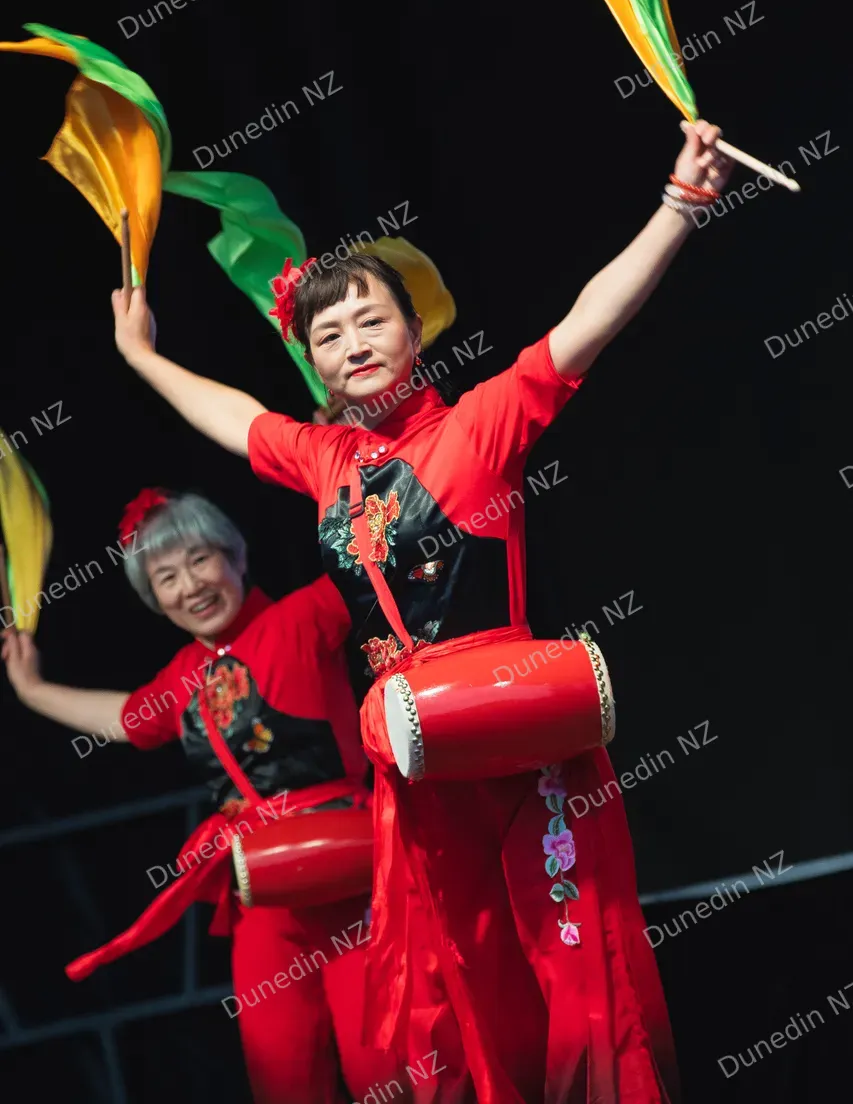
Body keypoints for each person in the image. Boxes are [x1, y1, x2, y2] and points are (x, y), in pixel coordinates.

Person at [110, 122, 734, 1102]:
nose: (352, 345)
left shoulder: (478, 425)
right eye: (328, 336)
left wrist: (678, 205)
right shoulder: (325, 460)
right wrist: (140, 356)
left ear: (416, 327)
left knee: (574, 969)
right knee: (462, 988)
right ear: (314, 363)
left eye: (370, 322)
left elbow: (588, 321)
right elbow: (229, 413)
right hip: (416, 759)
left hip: (516, 736)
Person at [1, 487, 407, 1104]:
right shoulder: (183, 676)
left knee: (383, 1068)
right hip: (261, 894)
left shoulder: (303, 617)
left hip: (347, 869)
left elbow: (378, 555)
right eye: (166, 576)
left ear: (236, 558)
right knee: (283, 1078)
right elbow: (129, 718)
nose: (189, 585)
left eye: (200, 560)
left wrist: (349, 464)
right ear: (154, 601)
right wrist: (32, 691)